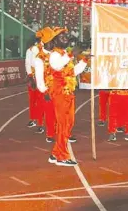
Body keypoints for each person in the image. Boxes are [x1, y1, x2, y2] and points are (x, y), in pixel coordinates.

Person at [46, 27, 87, 166]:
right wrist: (71, 55)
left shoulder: (64, 54)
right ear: (55, 40)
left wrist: (84, 61)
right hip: (60, 94)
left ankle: (55, 154)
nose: (65, 38)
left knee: (69, 123)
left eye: (65, 36)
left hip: (68, 93)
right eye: (61, 36)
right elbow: (57, 66)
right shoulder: (54, 55)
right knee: (63, 124)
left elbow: (72, 72)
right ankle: (62, 157)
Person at [33, 28, 57, 143]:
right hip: (48, 90)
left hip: (60, 89)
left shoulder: (57, 54)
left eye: (53, 40)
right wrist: (44, 91)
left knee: (62, 113)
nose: (53, 43)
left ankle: (64, 133)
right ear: (44, 43)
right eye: (50, 41)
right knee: (50, 114)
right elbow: (39, 77)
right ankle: (50, 134)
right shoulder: (39, 58)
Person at [25, 32, 43, 128]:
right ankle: (33, 119)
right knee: (33, 99)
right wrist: (30, 77)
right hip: (33, 77)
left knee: (41, 100)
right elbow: (28, 63)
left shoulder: (46, 49)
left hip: (43, 77)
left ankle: (41, 122)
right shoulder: (30, 50)